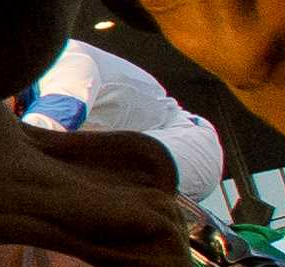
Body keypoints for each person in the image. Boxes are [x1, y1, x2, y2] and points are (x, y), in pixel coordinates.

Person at [16, 39, 228, 215]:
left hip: (190, 144)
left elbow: (47, 126)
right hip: (134, 151)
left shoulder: (66, 57)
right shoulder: (19, 98)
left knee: (88, 171)